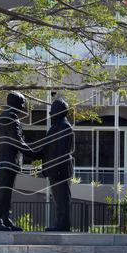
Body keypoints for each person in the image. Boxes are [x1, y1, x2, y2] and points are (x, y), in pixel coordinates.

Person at [0, 91, 37, 231]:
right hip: (8, 161)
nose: (23, 107)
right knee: (4, 192)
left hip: (7, 161)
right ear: (16, 103)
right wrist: (34, 154)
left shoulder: (6, 116)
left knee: (6, 192)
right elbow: (17, 141)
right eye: (21, 103)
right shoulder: (11, 117)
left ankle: (5, 219)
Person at [40, 98, 75, 232]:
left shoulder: (65, 128)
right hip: (54, 170)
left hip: (60, 171)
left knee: (62, 199)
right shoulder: (54, 127)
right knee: (58, 199)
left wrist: (53, 168)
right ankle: (59, 223)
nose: (50, 114)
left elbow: (61, 152)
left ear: (59, 112)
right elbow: (46, 149)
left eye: (53, 111)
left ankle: (63, 225)